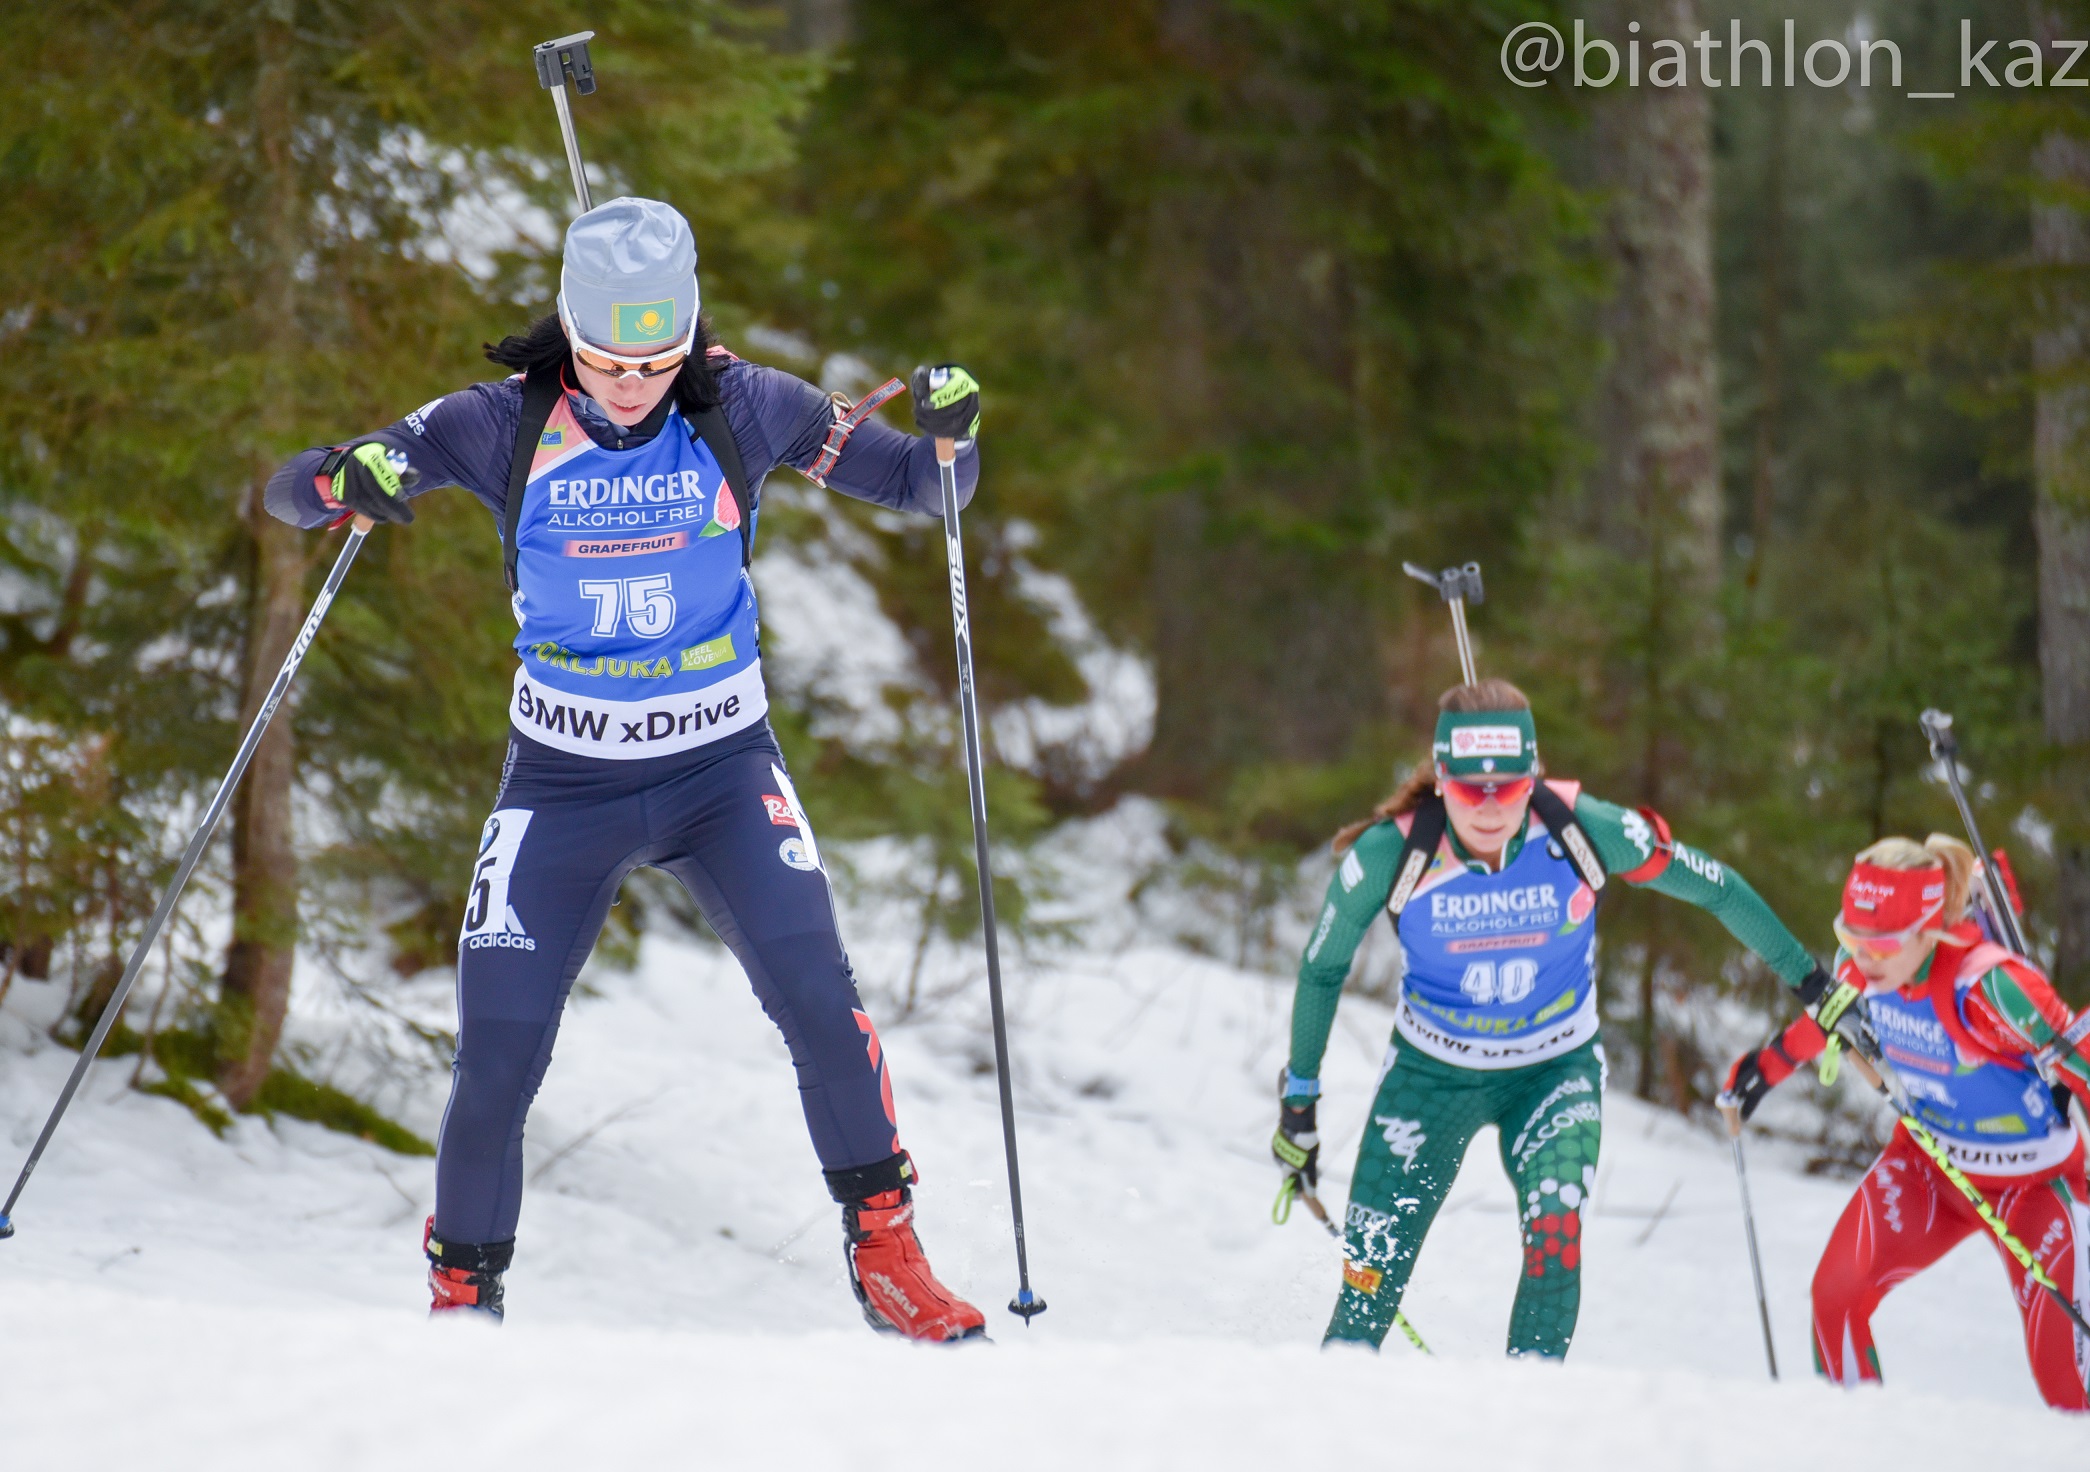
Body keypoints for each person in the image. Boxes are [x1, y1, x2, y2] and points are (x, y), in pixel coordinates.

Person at [264, 196, 988, 1339]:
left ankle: (889, 1252)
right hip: (561, 783)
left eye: (653, 362)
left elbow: (924, 485)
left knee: (819, 996)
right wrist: (341, 478)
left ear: (688, 337)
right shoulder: (497, 423)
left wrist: (954, 429)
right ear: (569, 331)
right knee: (498, 1047)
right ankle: (462, 1298)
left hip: (720, 770)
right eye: (605, 361)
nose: (629, 385)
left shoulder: (747, 405)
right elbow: (292, 487)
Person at [1275, 678, 1850, 1358]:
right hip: (1430, 1077)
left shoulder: (1583, 830)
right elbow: (1320, 968)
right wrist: (1300, 1103)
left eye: (1510, 786)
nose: (1490, 809)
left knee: (1556, 1226)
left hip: (1552, 1071)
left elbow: (1715, 887)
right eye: (1468, 789)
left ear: (1534, 772)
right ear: (1440, 778)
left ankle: (1533, 1413)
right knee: (1371, 1277)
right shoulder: (1391, 854)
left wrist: (1811, 980)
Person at [1722, 835, 2090, 1410]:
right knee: (1836, 1295)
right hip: (1931, 1168)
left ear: (1929, 930)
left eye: (1883, 944)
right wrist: (1765, 1069)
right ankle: (1857, 1445)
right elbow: (1830, 1020)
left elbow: (2080, 1056)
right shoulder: (1863, 969)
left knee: (2065, 1383)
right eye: (1852, 937)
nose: (1864, 959)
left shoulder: (1989, 985)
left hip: (2034, 1186)